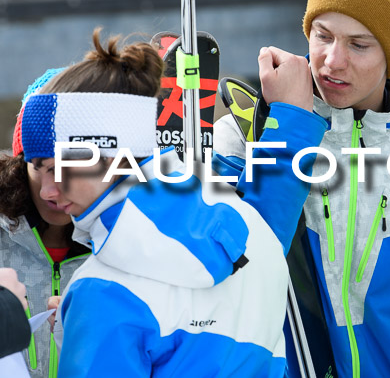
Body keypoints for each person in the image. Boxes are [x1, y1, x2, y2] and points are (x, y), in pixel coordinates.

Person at [20, 28, 326, 377]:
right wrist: (291, 123)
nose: (47, 190)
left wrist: (84, 334)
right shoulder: (248, 230)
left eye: (58, 167)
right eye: (37, 169)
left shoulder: (102, 292)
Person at [215, 0, 390, 377]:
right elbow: (235, 264)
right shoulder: (246, 129)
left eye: (359, 44)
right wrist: (288, 125)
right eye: (323, 35)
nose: (332, 61)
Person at [0, 68, 91, 378]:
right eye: (43, 167)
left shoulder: (121, 246)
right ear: (22, 161)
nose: (57, 187)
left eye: (74, 166)